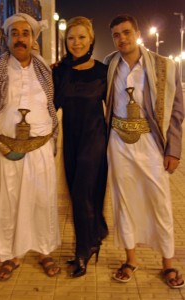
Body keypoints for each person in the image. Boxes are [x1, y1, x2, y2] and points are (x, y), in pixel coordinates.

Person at [0, 13, 61, 281]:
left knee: (42, 201)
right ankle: (9, 256)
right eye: (15, 33)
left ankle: (45, 251)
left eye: (25, 33)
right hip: (6, 150)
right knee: (7, 204)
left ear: (33, 39)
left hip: (40, 150)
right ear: (8, 38)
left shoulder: (44, 69)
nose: (20, 38)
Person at [105, 14, 184, 288]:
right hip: (118, 142)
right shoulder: (110, 65)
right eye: (116, 34)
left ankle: (168, 263)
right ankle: (130, 259)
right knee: (123, 201)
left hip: (151, 142)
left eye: (126, 32)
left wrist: (173, 149)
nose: (121, 38)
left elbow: (176, 110)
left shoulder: (164, 66)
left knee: (159, 201)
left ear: (137, 33)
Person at [53, 16, 108, 278]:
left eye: (81, 37)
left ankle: (82, 251)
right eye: (71, 37)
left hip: (95, 140)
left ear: (91, 40)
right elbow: (49, 106)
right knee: (78, 196)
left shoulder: (103, 70)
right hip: (71, 141)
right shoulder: (59, 71)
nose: (76, 42)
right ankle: (92, 239)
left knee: (82, 192)